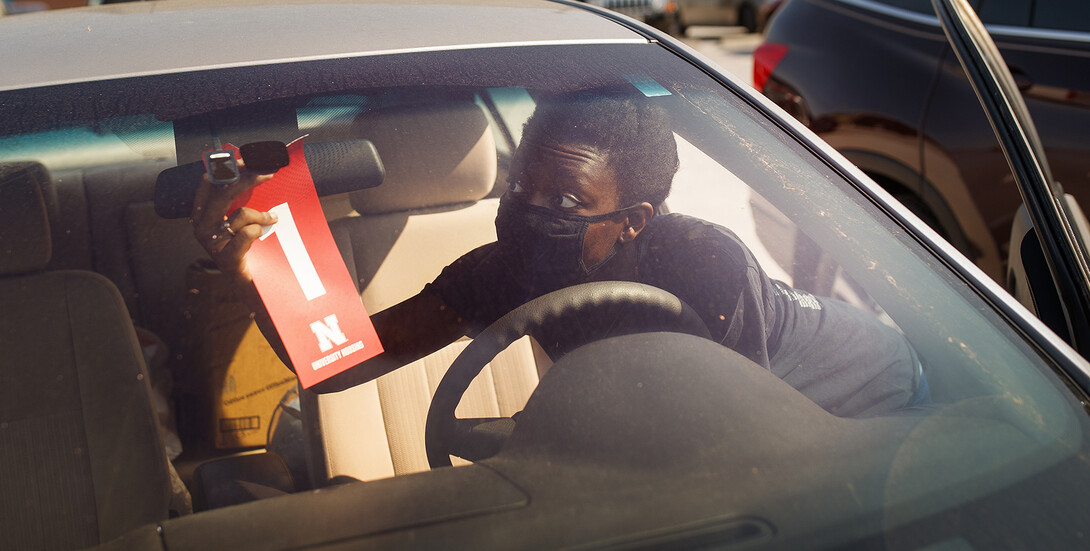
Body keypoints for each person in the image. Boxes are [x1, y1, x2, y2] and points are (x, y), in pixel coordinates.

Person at [192, 93, 926, 416]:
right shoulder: (500, 272)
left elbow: (750, 441)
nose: (530, 210)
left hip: (869, 394)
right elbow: (344, 362)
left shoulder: (704, 263)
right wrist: (255, 268)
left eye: (569, 202)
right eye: (522, 184)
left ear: (634, 220)